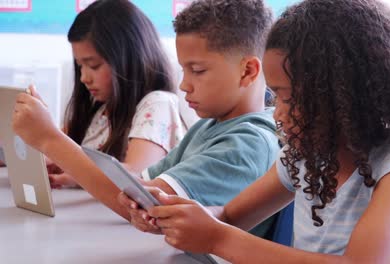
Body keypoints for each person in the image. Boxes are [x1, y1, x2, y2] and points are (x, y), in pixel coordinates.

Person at [119, 0, 390, 263]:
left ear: (346, 94)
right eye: (275, 94)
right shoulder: (306, 156)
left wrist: (217, 239)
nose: (278, 113)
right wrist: (174, 214)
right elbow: (230, 216)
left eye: (289, 97)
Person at [13, 0, 279, 236]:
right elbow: (139, 191)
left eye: (197, 70)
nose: (184, 84)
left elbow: (144, 207)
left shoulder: (246, 145)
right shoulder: (209, 127)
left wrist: (50, 139)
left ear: (247, 72)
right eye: (185, 70)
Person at [43, 0, 185, 188]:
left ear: (129, 58)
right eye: (80, 66)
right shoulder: (99, 110)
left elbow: (137, 173)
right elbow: (57, 149)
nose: (84, 77)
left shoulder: (157, 103)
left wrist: (77, 175)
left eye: (94, 65)